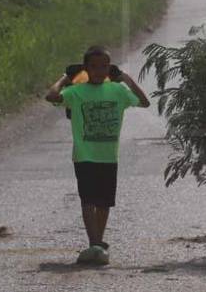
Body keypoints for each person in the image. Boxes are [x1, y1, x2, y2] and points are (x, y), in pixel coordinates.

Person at [45, 45, 150, 265]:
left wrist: (124, 78)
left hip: (108, 156)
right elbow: (51, 96)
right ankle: (94, 243)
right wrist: (66, 77)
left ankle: (97, 243)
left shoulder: (118, 91)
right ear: (86, 68)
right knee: (88, 201)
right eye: (93, 67)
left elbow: (144, 101)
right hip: (84, 155)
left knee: (104, 203)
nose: (99, 71)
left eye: (105, 66)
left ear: (110, 68)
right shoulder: (76, 92)